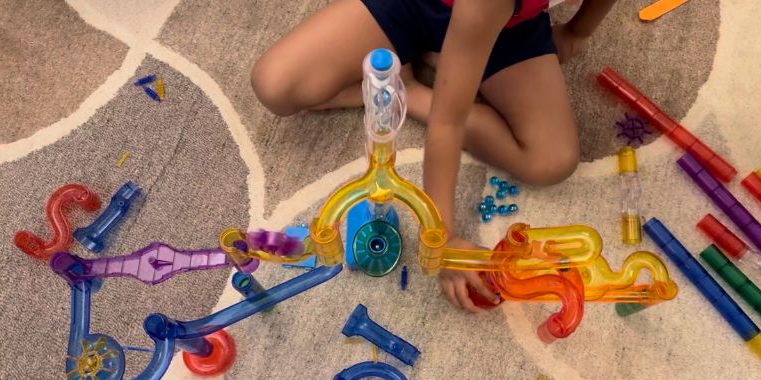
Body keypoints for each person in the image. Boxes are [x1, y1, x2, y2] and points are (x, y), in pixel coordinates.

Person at [251, 0, 618, 312]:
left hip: (504, 26)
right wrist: (443, 238)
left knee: (552, 159)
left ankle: (412, 86)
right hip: (417, 6)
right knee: (276, 85)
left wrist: (577, 31)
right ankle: (430, 72)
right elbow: (448, 122)